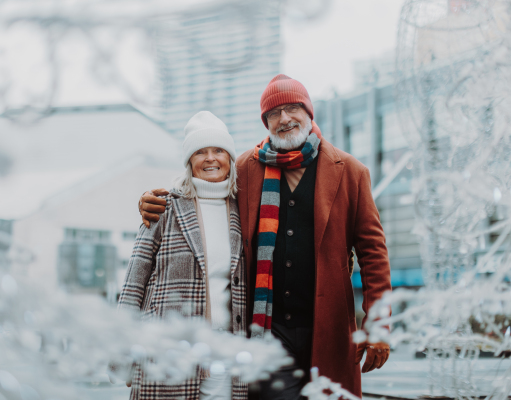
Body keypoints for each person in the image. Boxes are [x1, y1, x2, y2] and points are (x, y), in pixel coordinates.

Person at [139, 75, 392, 399]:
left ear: (308, 112)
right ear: (266, 122)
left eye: (292, 108)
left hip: (329, 328)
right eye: (274, 113)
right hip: (267, 333)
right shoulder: (244, 168)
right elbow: (201, 187)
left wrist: (379, 325)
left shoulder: (352, 172)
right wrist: (152, 201)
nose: (284, 118)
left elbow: (374, 253)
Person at [118, 111, 248, 400]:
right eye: (200, 152)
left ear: (230, 159)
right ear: (190, 161)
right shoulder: (165, 208)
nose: (211, 158)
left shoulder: (243, 211)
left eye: (219, 151)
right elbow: (133, 283)